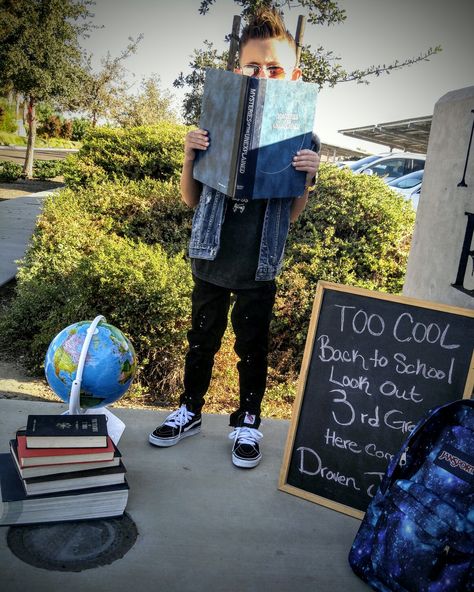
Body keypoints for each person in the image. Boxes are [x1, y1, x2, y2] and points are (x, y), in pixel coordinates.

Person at [149, 8, 320, 468]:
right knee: (201, 339)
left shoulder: (304, 137)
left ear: (294, 75)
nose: (263, 74)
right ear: (237, 70)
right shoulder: (215, 124)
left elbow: (292, 213)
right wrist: (189, 155)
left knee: (252, 347)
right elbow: (190, 199)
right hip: (212, 253)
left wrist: (306, 178)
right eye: (253, 66)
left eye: (275, 68)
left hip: (259, 264)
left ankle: (248, 420)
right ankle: (189, 409)